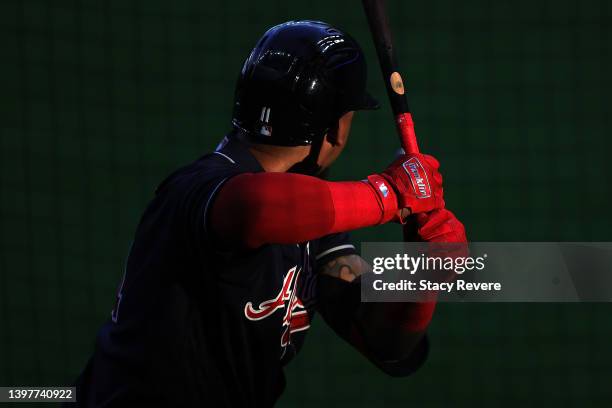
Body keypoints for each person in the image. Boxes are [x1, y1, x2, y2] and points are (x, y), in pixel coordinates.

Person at [72, 20, 466, 407]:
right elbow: (257, 208)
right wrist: (391, 193)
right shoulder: (200, 190)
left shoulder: (316, 230)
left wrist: (420, 274)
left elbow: (387, 344)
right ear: (335, 131)